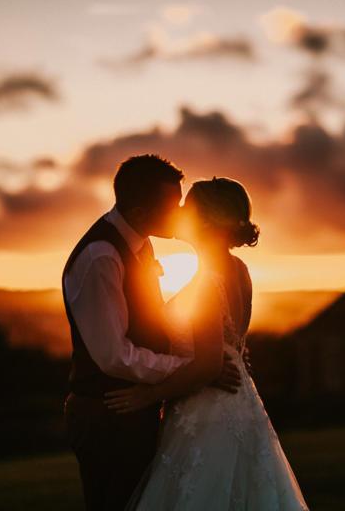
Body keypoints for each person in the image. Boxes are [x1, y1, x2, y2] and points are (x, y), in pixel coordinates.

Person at [105, 177, 308, 510]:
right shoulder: (238, 270)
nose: (179, 211)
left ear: (207, 220)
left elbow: (209, 364)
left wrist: (149, 395)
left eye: (188, 207)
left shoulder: (206, 283)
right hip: (238, 404)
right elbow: (234, 347)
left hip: (208, 413)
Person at [62, 155, 242, 511]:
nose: (180, 213)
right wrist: (192, 369)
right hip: (108, 411)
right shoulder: (102, 257)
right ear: (142, 213)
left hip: (135, 409)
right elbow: (115, 355)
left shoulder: (141, 245)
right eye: (172, 206)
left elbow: (150, 322)